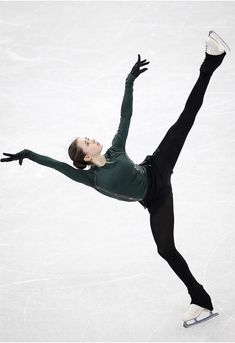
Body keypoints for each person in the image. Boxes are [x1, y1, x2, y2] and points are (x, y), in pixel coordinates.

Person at [1, 30, 230, 327]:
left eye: (88, 137)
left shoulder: (116, 149)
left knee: (185, 118)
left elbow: (125, 116)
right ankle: (200, 298)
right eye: (87, 141)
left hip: (156, 167)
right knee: (165, 249)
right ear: (84, 157)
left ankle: (212, 61)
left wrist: (129, 81)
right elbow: (58, 165)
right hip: (154, 199)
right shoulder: (91, 178)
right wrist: (29, 154)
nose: (92, 138)